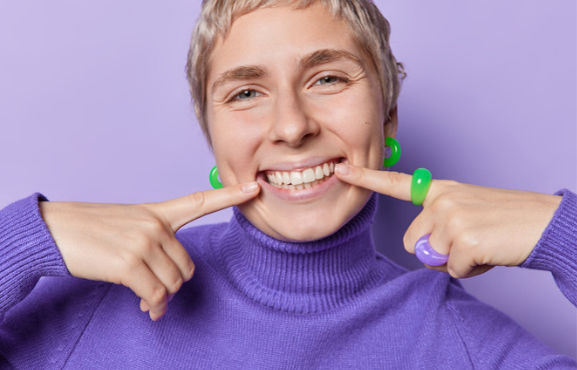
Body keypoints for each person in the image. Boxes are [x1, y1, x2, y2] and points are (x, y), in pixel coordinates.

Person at [0, 0, 575, 368]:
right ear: (212, 136)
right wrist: (23, 240)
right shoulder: (93, 307)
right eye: (246, 92)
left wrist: (562, 233)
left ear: (388, 117)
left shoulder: (468, 347)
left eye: (327, 78)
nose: (292, 126)